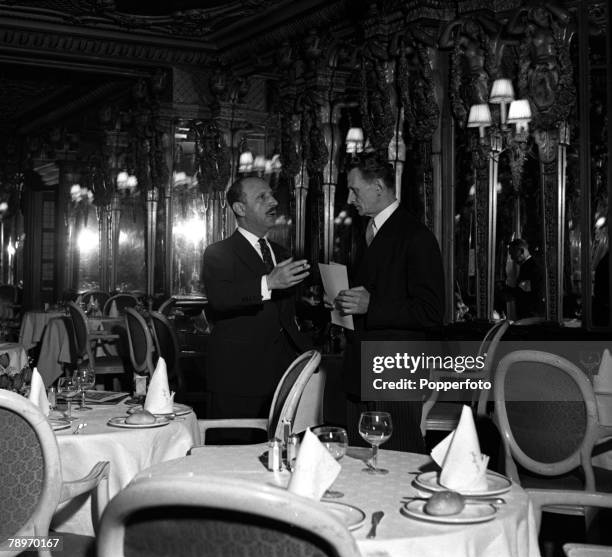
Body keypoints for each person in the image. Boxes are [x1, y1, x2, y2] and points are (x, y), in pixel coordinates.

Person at [334, 152, 445, 453]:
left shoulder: (416, 237)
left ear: (379, 187)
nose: (350, 197)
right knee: (359, 461)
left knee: (399, 459)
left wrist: (373, 306)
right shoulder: (364, 232)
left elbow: (432, 312)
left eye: (355, 189)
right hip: (359, 367)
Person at [202, 177, 310, 441]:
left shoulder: (281, 252)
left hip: (284, 374)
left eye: (272, 195)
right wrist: (268, 282)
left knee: (280, 456)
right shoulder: (219, 253)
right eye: (262, 197)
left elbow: (286, 311)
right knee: (235, 458)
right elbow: (221, 299)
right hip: (239, 377)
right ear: (240, 209)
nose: (273, 202)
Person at [506, 238, 545, 319]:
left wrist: (508, 291)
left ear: (521, 251)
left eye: (512, 254)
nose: (512, 258)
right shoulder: (527, 265)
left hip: (531, 314)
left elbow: (526, 291)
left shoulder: (533, 267)